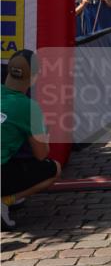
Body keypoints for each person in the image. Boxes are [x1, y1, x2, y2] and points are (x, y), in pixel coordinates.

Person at [1, 50, 62, 230]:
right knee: (53, 169)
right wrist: (46, 136)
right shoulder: (30, 107)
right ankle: (5, 201)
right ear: (34, 78)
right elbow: (41, 154)